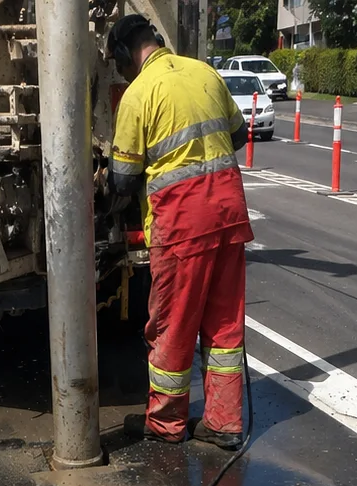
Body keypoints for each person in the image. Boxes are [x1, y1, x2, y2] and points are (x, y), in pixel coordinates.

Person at [107, 14, 253, 449]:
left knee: (172, 325)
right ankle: (224, 424)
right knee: (224, 325)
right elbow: (239, 134)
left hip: (182, 224)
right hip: (228, 212)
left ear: (124, 55)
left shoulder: (138, 94)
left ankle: (167, 423)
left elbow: (122, 179)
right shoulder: (205, 72)